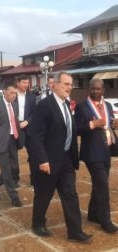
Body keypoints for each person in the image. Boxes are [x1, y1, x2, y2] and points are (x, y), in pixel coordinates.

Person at [27, 72, 92, 242]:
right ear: (54, 85)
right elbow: (35, 135)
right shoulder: (45, 105)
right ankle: (38, 223)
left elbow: (69, 130)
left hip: (66, 160)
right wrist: (42, 160)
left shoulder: (66, 105)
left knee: (70, 195)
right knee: (44, 195)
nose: (69, 87)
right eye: (65, 84)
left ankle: (75, 231)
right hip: (48, 161)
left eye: (71, 84)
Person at [75, 78, 118, 233]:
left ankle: (93, 214)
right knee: (103, 186)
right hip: (92, 153)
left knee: (100, 183)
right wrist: (92, 124)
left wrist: (114, 123)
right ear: (89, 89)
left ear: (103, 90)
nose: (95, 91)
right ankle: (105, 221)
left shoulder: (107, 105)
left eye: (98, 89)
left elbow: (107, 124)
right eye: (93, 88)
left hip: (107, 150)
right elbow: (77, 129)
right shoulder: (81, 107)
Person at [0, 82, 23, 207]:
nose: (14, 95)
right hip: (1, 142)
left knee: (14, 168)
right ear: (4, 92)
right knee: (6, 170)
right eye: (12, 93)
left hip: (13, 140)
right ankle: (14, 197)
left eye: (15, 93)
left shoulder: (15, 105)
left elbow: (15, 121)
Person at [12, 74, 36, 186]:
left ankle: (34, 178)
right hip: (14, 127)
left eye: (27, 83)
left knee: (33, 153)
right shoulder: (12, 95)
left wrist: (27, 121)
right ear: (18, 82)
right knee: (13, 154)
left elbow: (34, 112)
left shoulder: (31, 96)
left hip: (28, 127)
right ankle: (14, 178)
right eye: (23, 82)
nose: (26, 85)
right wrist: (16, 123)